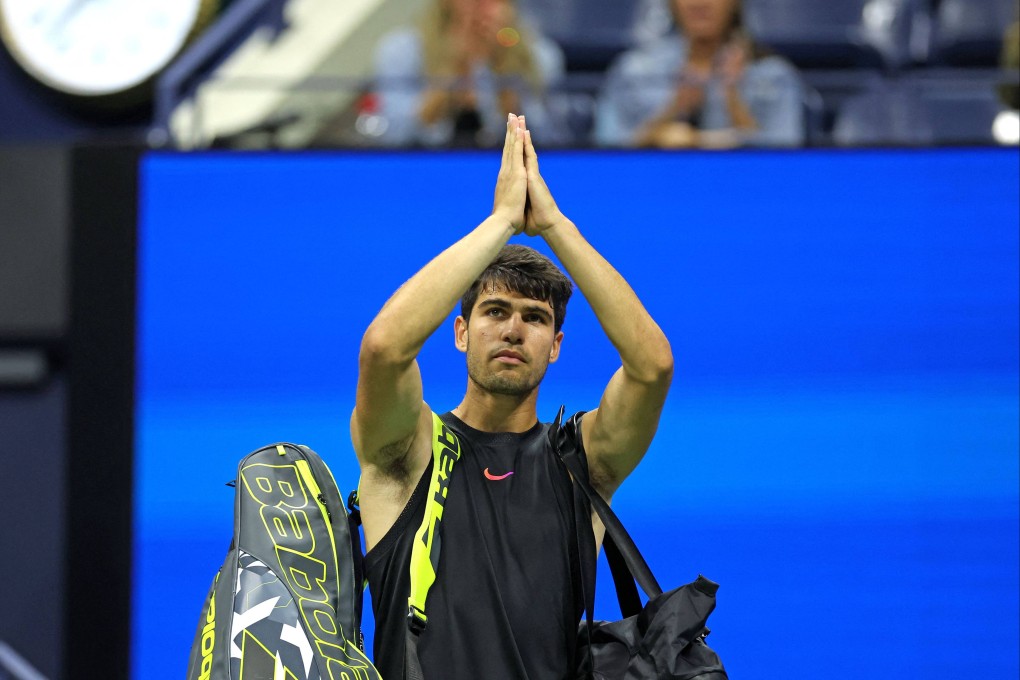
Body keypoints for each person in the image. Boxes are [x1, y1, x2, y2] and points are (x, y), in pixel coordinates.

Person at [352, 114, 673, 679]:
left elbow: (652, 367)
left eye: (535, 318)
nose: (513, 329)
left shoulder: (582, 462)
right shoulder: (409, 449)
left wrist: (553, 225)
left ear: (555, 346)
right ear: (460, 331)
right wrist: (501, 221)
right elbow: (384, 348)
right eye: (494, 312)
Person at [594, 0, 804, 149]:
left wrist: (733, 99)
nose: (699, 3)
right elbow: (602, 149)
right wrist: (674, 109)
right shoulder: (636, 70)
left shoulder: (773, 75)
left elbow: (787, 159)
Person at [369, 0, 566, 147]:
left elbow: (550, 137)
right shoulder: (403, 49)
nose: (479, 5)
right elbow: (396, 135)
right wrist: (454, 68)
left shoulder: (541, 55)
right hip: (425, 168)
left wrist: (504, 62)